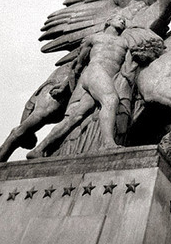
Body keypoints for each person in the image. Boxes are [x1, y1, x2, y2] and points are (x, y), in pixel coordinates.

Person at [27, 14, 130, 158]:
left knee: (74, 117)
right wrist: (64, 86)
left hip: (104, 79)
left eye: (124, 21)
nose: (122, 20)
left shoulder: (124, 42)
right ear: (108, 21)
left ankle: (38, 149)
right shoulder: (94, 38)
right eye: (119, 18)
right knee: (111, 100)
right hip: (95, 71)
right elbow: (78, 65)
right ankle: (107, 144)